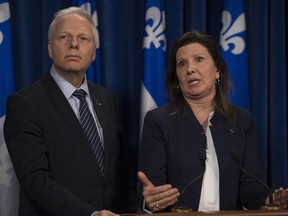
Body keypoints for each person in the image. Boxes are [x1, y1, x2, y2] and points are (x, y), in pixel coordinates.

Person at [137, 31, 288, 212]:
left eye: (199, 59)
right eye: (181, 64)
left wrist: (270, 199)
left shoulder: (241, 121)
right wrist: (151, 203)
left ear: (217, 70)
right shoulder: (159, 121)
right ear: (177, 77)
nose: (190, 69)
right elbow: (153, 189)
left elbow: (249, 186)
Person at [4, 7, 135, 216]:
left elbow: (121, 171)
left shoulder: (108, 99)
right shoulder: (24, 104)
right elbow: (35, 181)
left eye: (83, 38)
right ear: (50, 49)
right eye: (64, 37)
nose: (74, 44)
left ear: (93, 53)